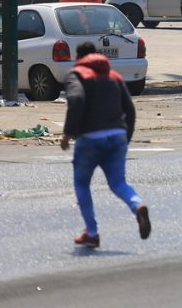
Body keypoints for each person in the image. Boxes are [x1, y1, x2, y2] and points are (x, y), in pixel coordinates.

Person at [60, 42, 150, 248]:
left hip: (90, 138)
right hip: (117, 135)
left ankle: (91, 232)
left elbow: (76, 100)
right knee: (118, 184)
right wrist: (124, 140)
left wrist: (68, 133)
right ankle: (137, 206)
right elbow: (131, 110)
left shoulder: (76, 74)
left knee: (82, 184)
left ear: (78, 56)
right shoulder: (115, 76)